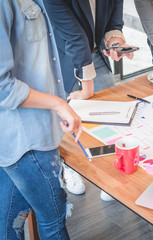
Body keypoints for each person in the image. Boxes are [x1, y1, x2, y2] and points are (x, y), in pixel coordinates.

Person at [0, 0, 82, 239]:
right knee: (53, 221)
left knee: (7, 223)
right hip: (26, 137)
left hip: (27, 133)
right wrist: (58, 104)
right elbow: (3, 87)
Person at [44, 0, 134, 201]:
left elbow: (113, 24)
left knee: (110, 113)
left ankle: (108, 172)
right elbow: (74, 37)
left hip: (93, 53)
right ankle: (70, 167)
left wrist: (115, 43)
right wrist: (87, 88)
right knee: (67, 120)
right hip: (62, 56)